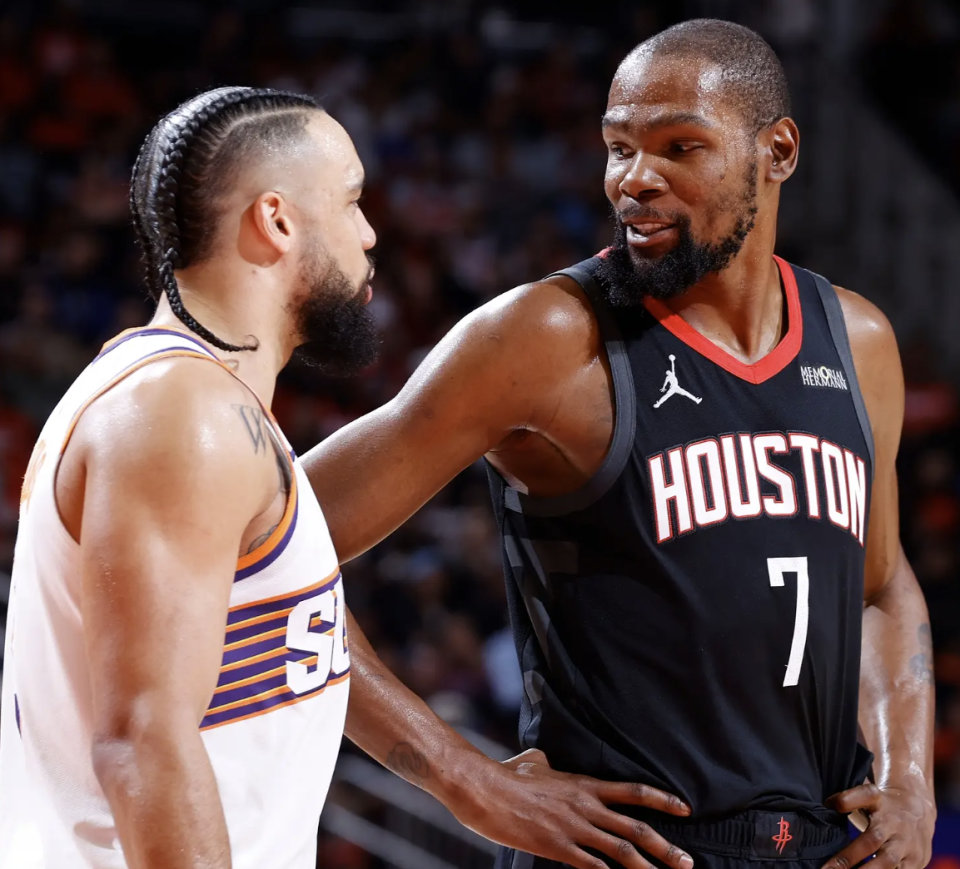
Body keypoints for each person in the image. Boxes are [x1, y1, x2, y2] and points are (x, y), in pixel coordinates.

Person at [303, 19, 936, 869]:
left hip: (818, 846)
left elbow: (880, 585)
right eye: (619, 147)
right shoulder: (546, 336)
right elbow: (264, 541)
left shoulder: (858, 341)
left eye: (680, 147)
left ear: (777, 152)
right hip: (624, 849)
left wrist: (909, 777)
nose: (635, 179)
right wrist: (465, 779)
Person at [0, 86, 384, 868]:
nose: (370, 233)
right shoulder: (185, 415)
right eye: (351, 202)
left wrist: (468, 778)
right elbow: (145, 745)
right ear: (277, 220)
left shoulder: (187, 396)